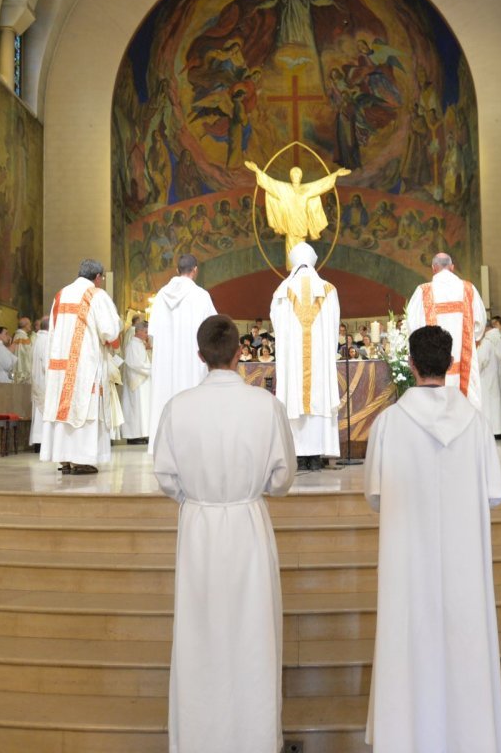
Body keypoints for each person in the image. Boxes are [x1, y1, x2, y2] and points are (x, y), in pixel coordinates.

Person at [153, 315, 296, 753]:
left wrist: (196, 499)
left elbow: (165, 476)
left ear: (200, 355)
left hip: (199, 529)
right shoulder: (265, 405)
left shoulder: (178, 406)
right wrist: (251, 490)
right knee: (253, 633)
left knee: (201, 635)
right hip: (248, 526)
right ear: (240, 353)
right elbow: (282, 478)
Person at [363, 325, 501, 752]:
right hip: (463, 565)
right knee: (464, 638)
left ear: (409, 365)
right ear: (450, 364)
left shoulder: (389, 423)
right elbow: (494, 494)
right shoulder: (476, 422)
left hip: (407, 560)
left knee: (407, 640)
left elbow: (374, 494)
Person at [39, 259, 123, 475]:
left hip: (60, 365)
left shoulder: (60, 295)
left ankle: (64, 459)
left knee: (64, 409)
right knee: (83, 407)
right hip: (85, 363)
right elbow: (110, 332)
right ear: (97, 277)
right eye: (102, 278)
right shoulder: (96, 295)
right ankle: (81, 459)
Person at [270, 242, 341, 471]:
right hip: (319, 358)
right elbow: (334, 324)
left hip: (294, 361)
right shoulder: (329, 289)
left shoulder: (283, 290)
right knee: (319, 396)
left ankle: (298, 454)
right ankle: (316, 455)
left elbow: (276, 324)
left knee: (294, 397)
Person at [148, 254, 217, 452]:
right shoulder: (201, 296)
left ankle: (164, 444)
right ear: (195, 270)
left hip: (165, 363)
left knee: (165, 396)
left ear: (177, 270)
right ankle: (192, 444)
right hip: (191, 360)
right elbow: (212, 327)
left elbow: (151, 333)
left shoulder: (161, 295)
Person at [406, 251, 487, 407]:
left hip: (431, 364)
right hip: (465, 361)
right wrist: (469, 342)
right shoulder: (469, 290)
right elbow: (479, 326)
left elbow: (413, 328)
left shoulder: (423, 291)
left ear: (433, 268)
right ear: (452, 267)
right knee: (466, 404)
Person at [244, 159, 351, 266]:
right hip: (290, 226)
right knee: (290, 252)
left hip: (301, 225)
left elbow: (320, 185)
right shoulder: (284, 189)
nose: (295, 176)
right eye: (293, 174)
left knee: (301, 251)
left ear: (300, 177)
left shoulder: (306, 189)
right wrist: (257, 170)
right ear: (291, 176)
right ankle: (293, 273)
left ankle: (301, 271)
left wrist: (335, 174)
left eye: (297, 174)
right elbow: (270, 183)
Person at [121, 318, 151, 444]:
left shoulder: (139, 344)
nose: (147, 335)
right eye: (145, 332)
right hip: (137, 382)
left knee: (142, 409)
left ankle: (142, 434)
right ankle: (134, 436)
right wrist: (151, 369)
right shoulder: (133, 344)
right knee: (136, 409)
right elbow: (135, 363)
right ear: (139, 331)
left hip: (143, 381)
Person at [476, 318, 501, 439]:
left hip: (486, 377)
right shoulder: (500, 338)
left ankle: (490, 430)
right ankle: (498, 430)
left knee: (487, 403)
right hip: (498, 375)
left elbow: (480, 360)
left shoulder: (487, 341)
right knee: (496, 403)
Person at [28, 316, 50, 451]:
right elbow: (47, 364)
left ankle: (39, 441)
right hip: (45, 381)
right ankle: (42, 442)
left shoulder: (37, 339)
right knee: (43, 412)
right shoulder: (46, 340)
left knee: (39, 412)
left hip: (38, 381)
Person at [10, 315, 33, 383]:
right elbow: (27, 355)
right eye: (29, 324)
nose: (30, 326)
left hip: (16, 369)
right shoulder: (23, 337)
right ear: (25, 325)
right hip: (24, 371)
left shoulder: (16, 336)